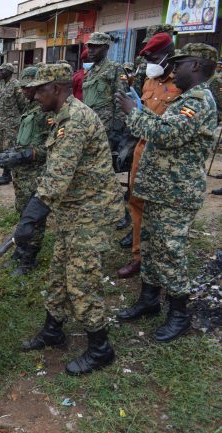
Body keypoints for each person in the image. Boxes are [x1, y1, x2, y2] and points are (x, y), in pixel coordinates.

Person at [15, 64, 124, 375]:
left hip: (89, 212)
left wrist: (30, 218)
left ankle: (101, 349)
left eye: (39, 89)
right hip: (72, 209)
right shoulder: (61, 117)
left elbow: (58, 176)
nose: (34, 95)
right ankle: (53, 331)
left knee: (82, 280)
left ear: (57, 89)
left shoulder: (75, 120)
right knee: (59, 273)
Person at [115, 43, 218, 342]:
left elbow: (166, 133)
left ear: (196, 66)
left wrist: (134, 112)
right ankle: (148, 300)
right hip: (162, 191)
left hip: (177, 194)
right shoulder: (186, 98)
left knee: (171, 254)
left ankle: (179, 315)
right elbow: (162, 126)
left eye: (180, 64)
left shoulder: (198, 101)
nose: (173, 70)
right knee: (150, 246)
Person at [116, 33, 182, 279]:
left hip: (164, 158)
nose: (149, 63)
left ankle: (159, 263)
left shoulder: (181, 84)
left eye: (153, 57)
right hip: (141, 151)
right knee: (136, 204)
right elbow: (141, 120)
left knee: (160, 213)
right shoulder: (150, 81)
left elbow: (173, 129)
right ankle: (138, 257)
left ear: (168, 54)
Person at [0, 67, 51, 275]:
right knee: (23, 214)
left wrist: (27, 155)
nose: (24, 91)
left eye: (28, 88)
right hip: (22, 174)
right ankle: (21, 249)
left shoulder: (46, 112)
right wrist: (12, 154)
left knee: (34, 217)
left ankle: (29, 259)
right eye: (23, 88)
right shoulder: (29, 109)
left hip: (36, 174)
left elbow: (50, 147)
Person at [83, 32, 131, 231]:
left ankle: (122, 213)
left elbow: (122, 99)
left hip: (107, 130)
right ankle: (99, 206)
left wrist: (118, 130)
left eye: (96, 47)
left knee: (106, 173)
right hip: (90, 129)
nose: (91, 50)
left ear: (106, 48)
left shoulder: (114, 69)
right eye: (90, 46)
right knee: (92, 171)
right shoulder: (91, 71)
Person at [0, 63, 27, 186]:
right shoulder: (2, 84)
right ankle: (6, 174)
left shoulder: (15, 85)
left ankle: (7, 175)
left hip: (12, 124)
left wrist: (22, 121)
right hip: (2, 123)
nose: (0, 72)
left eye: (2, 71)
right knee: (2, 148)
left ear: (9, 71)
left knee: (9, 149)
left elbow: (23, 104)